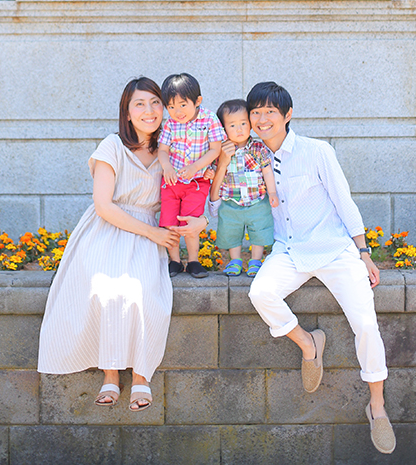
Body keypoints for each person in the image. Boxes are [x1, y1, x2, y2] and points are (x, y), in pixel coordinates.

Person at [246, 82, 396, 456]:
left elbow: (344, 202)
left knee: (365, 324)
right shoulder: (251, 156)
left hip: (334, 249)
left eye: (270, 112)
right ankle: (309, 343)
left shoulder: (316, 151)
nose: (262, 119)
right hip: (289, 249)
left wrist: (363, 252)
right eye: (256, 112)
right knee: (260, 292)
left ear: (287, 115)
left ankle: (377, 406)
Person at [37, 77, 204, 412]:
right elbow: (104, 205)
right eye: (139, 104)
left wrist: (199, 223)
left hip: (150, 232)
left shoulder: (174, 149)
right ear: (127, 113)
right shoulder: (112, 146)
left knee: (144, 294)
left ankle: (141, 375)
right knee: (105, 289)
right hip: (107, 230)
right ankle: (110, 374)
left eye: (155, 102)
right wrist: (152, 234)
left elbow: (196, 191)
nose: (149, 110)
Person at [157, 72, 225, 278]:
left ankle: (193, 261)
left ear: (197, 101)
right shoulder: (170, 124)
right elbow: (162, 150)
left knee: (190, 222)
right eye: (171, 107)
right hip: (172, 181)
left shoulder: (209, 119)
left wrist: (195, 167)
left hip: (196, 181)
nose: (177, 112)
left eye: (182, 105)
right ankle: (175, 261)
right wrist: (167, 167)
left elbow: (215, 149)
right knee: (170, 221)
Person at [209, 98, 279, 277]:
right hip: (231, 201)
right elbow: (216, 170)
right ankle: (235, 260)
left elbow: (267, 171)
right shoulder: (222, 150)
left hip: (257, 200)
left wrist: (272, 192)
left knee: (259, 230)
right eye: (232, 125)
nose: (239, 129)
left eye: (243, 123)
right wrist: (210, 172)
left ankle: (256, 260)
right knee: (231, 230)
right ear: (223, 128)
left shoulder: (258, 148)